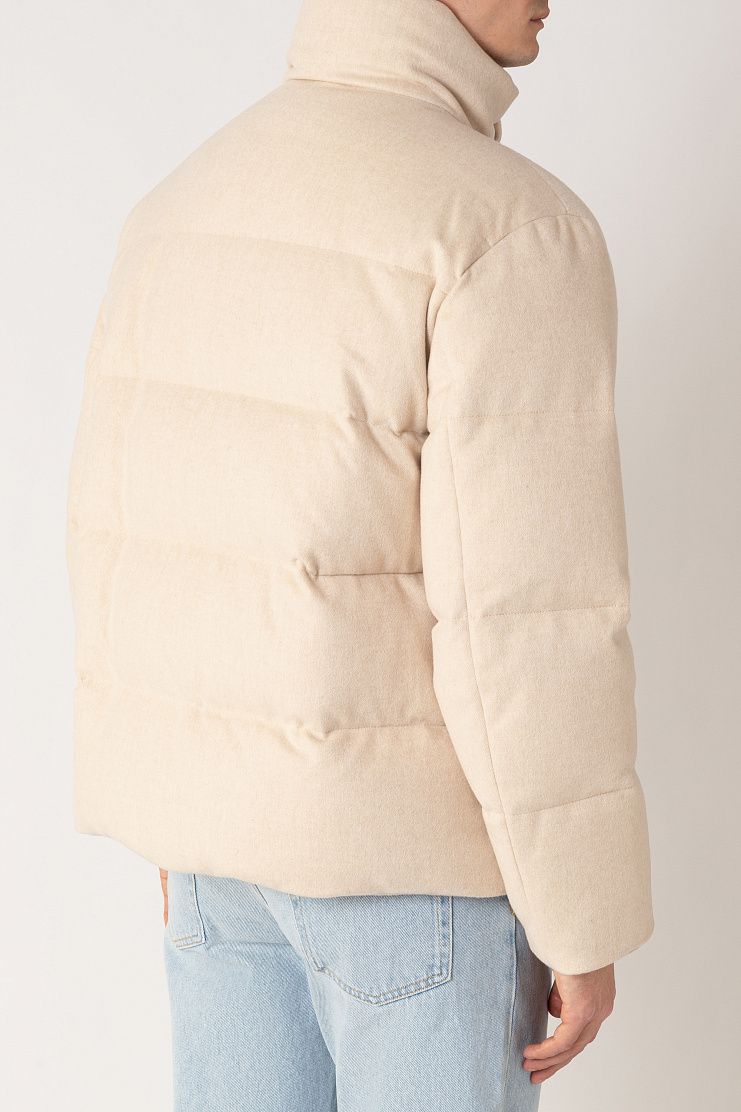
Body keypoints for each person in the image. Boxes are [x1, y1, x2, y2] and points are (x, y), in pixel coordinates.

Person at [66, 0, 654, 1108]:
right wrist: (582, 910)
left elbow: (125, 530)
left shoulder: (181, 202)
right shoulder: (507, 230)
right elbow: (527, 618)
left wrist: (178, 807)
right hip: (414, 881)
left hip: (215, 867)